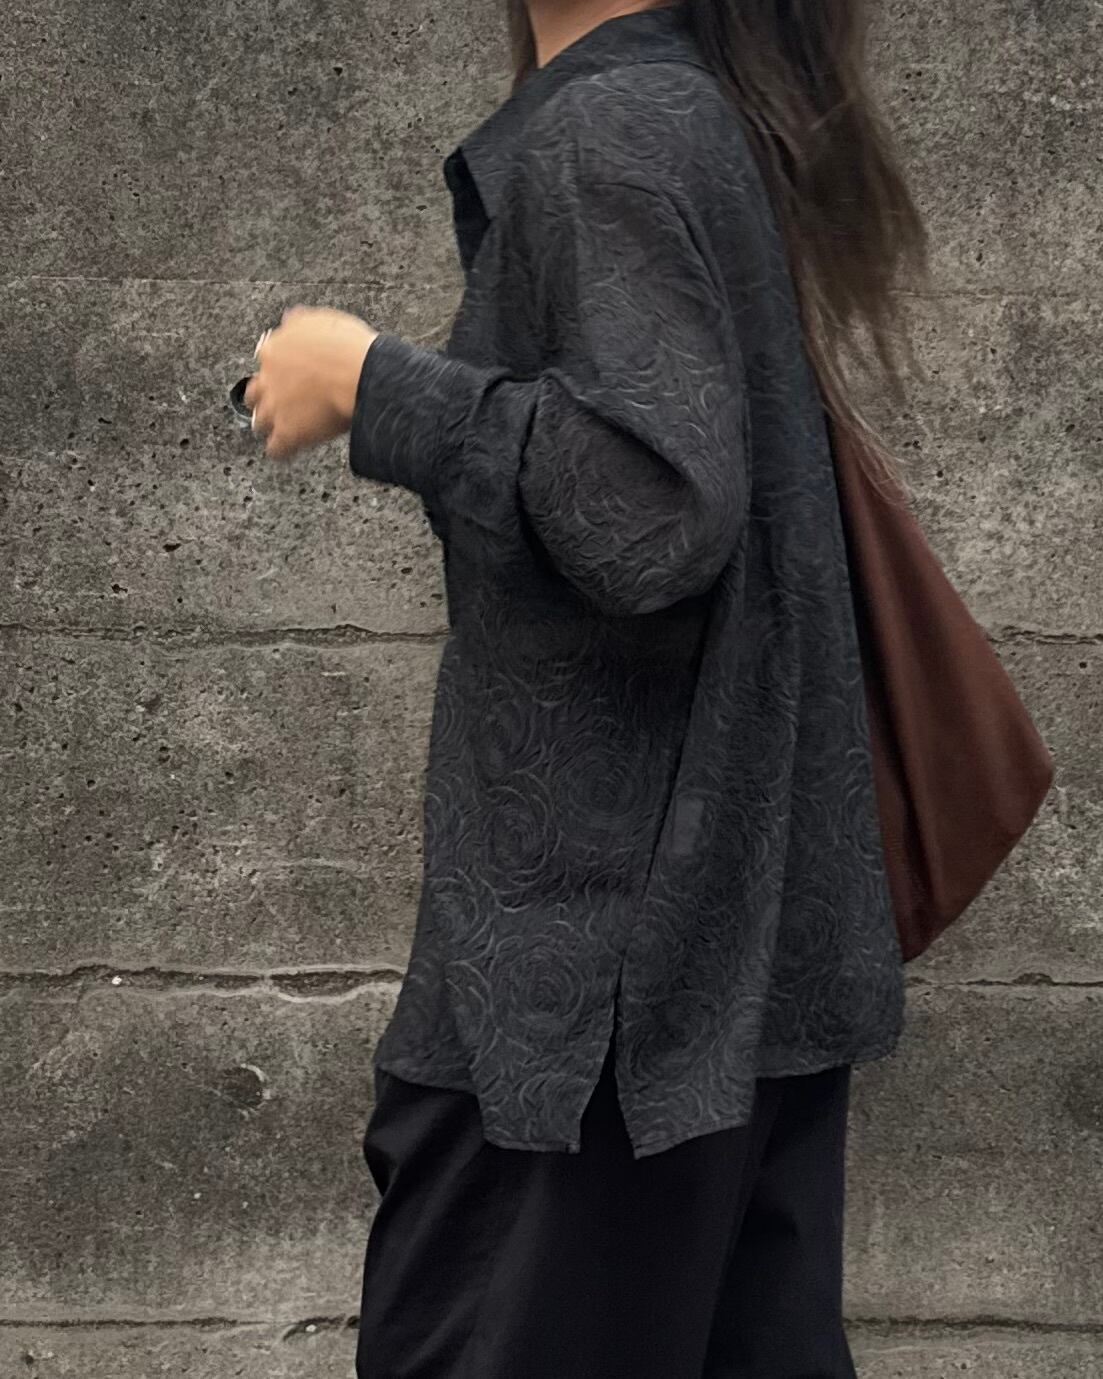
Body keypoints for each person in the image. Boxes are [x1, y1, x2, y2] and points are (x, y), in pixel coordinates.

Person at [244, 1, 928, 1374]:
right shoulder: (694, 117)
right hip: (712, 978)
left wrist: (374, 384)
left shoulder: (611, 131)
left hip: (593, 1013)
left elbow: (655, 513)